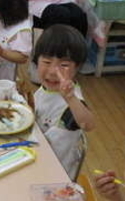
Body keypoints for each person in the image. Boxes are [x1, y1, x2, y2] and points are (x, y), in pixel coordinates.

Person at [31, 24, 95, 179]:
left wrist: (71, 98)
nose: (53, 71)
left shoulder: (71, 101)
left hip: (56, 172)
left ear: (77, 68)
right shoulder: (46, 88)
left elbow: (88, 124)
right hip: (35, 155)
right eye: (46, 62)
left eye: (64, 65)